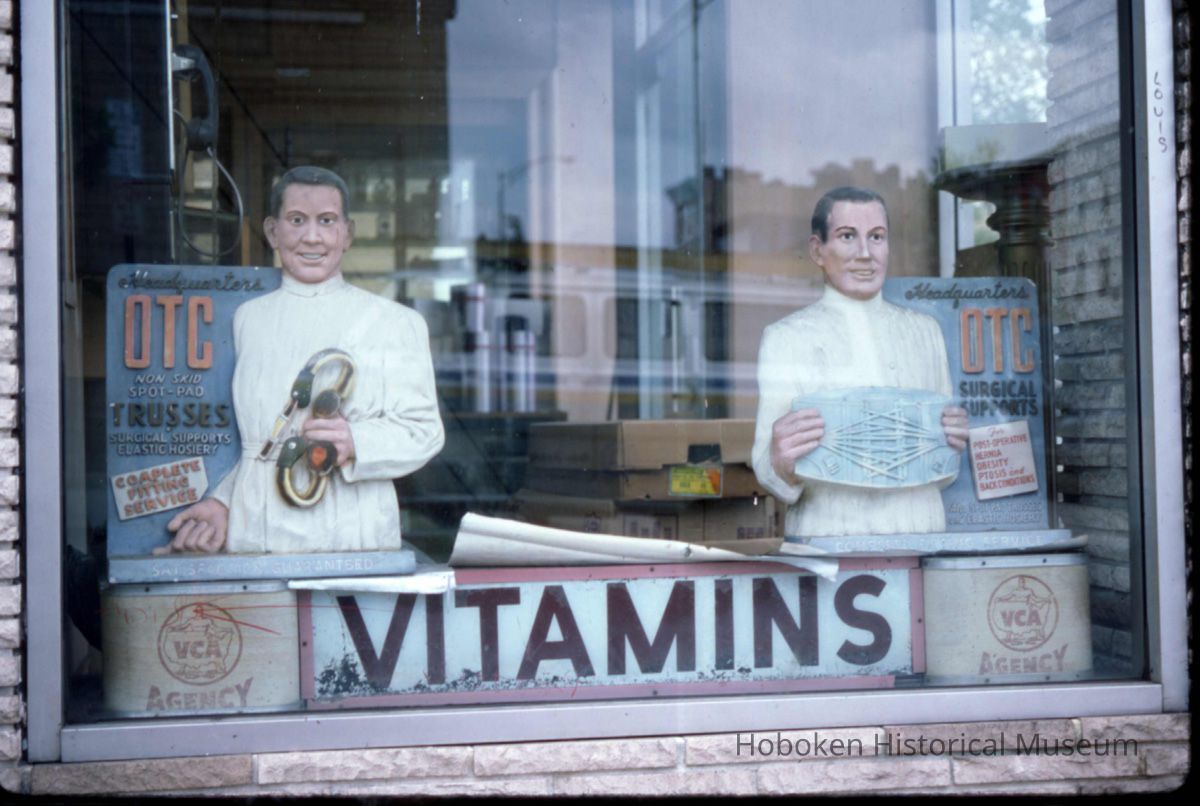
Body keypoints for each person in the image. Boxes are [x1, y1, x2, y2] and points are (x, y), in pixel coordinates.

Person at [158, 166, 445, 554]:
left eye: (326, 221)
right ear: (273, 231)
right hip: (256, 528)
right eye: (297, 221)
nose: (312, 236)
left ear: (347, 233)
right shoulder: (248, 319)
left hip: (349, 529)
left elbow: (425, 432)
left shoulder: (396, 323)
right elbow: (263, 440)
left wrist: (355, 440)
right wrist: (224, 502)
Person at [751, 186, 969, 537]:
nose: (865, 253)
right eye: (847, 236)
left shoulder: (925, 332)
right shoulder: (786, 338)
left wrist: (951, 438)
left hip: (920, 531)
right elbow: (769, 468)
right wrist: (782, 460)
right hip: (831, 535)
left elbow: (945, 466)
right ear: (817, 250)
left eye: (877, 237)